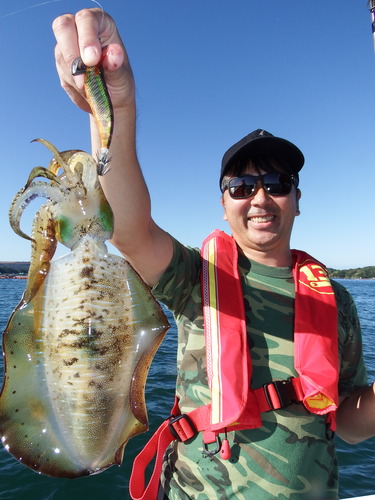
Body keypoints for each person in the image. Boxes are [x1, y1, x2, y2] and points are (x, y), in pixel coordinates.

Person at [52, 8, 375, 500]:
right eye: (242, 186)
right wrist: (115, 106)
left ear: (297, 199)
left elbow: (351, 426)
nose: (261, 198)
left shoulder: (338, 302)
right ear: (223, 204)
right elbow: (128, 228)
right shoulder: (196, 279)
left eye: (277, 184)